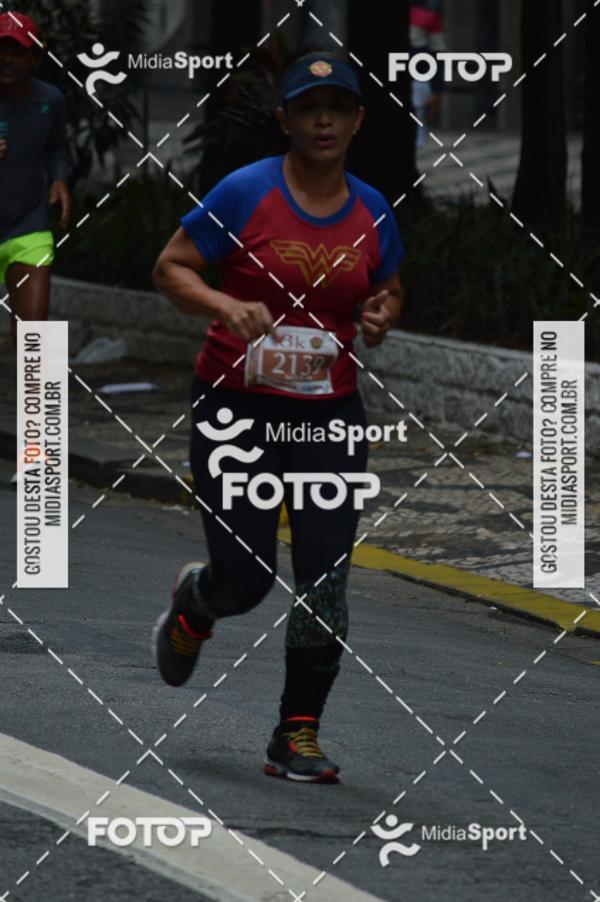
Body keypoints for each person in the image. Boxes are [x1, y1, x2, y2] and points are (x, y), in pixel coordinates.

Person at [152, 51, 404, 783]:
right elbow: (171, 267)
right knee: (248, 578)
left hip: (329, 416)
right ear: (286, 120)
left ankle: (296, 732)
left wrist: (383, 313)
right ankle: (199, 601)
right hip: (235, 411)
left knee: (325, 576)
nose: (322, 120)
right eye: (308, 108)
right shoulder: (244, 194)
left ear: (357, 121)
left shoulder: (373, 210)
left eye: (337, 108)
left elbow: (386, 289)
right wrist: (227, 305)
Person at [0, 12, 70, 342]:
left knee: (36, 339)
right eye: (1, 50)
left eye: (17, 51)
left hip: (29, 223)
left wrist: (59, 179)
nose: (6, 59)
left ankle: (38, 394)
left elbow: (57, 146)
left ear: (35, 58)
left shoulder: (51, 100)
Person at [410, 0, 446, 147]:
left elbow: (438, 51)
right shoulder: (427, 15)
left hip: (419, 71)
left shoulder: (427, 16)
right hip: (416, 69)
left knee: (419, 111)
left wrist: (437, 86)